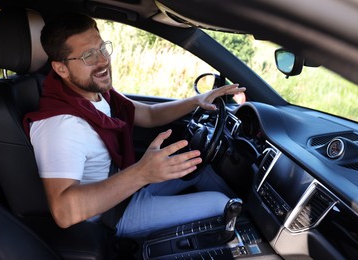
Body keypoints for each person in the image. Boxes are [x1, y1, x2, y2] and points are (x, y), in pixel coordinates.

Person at [24, 12, 246, 238]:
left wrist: (197, 100)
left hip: (127, 186)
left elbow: (147, 115)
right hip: (113, 214)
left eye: (102, 48)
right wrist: (141, 174)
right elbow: (64, 212)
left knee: (200, 168)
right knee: (221, 204)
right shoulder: (59, 125)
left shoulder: (94, 94)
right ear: (61, 69)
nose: (102, 61)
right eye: (88, 56)